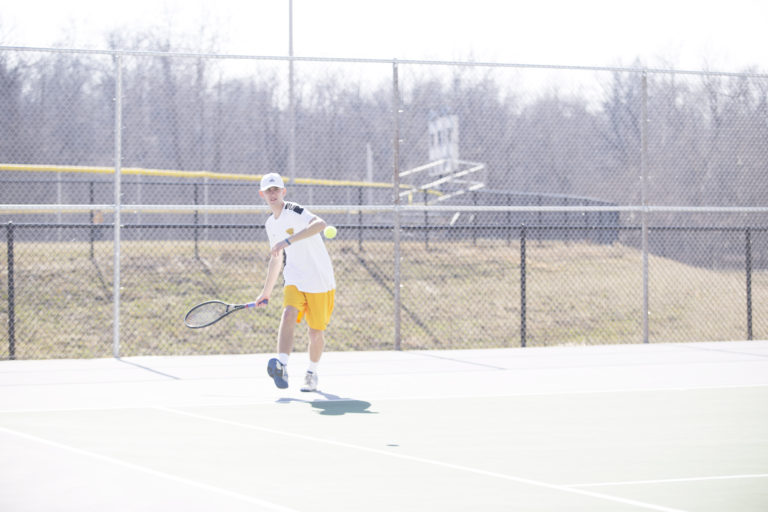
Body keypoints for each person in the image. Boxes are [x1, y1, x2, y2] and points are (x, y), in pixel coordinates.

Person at [255, 172, 336, 392]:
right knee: (288, 313)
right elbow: (276, 258)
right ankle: (282, 364)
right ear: (262, 194)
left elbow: (320, 224)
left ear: (283, 192)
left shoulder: (294, 210)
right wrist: (266, 293)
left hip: (320, 278)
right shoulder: (270, 224)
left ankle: (311, 372)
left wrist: (288, 240)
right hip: (295, 276)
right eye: (268, 191)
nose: (272, 194)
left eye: (276, 190)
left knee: (315, 332)